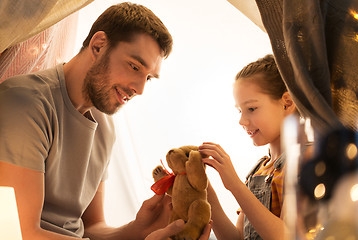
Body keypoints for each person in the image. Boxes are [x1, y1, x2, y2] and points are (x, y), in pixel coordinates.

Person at [0, 2, 211, 240]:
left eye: (148, 78)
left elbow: (92, 228)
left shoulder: (105, 126)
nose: (140, 89)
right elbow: (19, 233)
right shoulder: (24, 103)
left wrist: (140, 229)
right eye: (134, 66)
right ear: (98, 45)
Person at [199, 54, 297, 240]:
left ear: (287, 102)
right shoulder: (259, 170)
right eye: (239, 111)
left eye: (251, 109)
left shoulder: (305, 161)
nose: (242, 121)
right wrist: (203, 188)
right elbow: (236, 238)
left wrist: (234, 185)